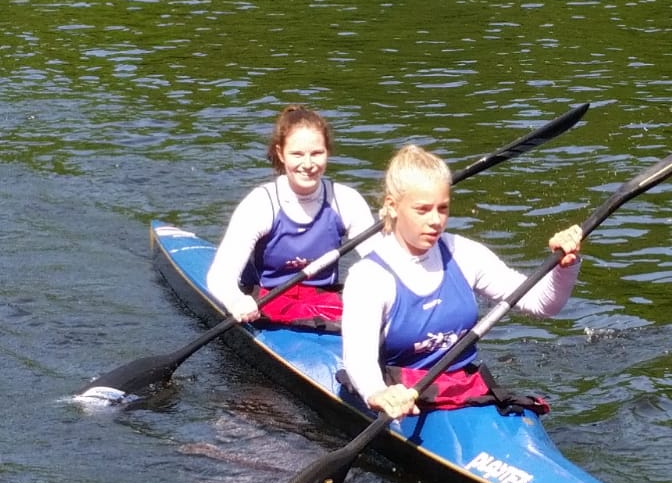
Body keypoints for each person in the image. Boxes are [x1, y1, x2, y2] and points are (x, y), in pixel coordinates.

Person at [340, 144, 583, 420]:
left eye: (442, 208)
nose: (435, 221)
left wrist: (565, 265)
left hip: (463, 390)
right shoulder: (369, 277)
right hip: (401, 397)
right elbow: (359, 360)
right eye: (422, 210)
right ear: (392, 207)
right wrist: (378, 394)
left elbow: (541, 304)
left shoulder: (462, 253)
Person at [206, 105, 376, 329]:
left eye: (317, 153)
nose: (308, 164)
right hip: (265, 302)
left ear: (328, 152)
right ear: (280, 153)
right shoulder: (260, 204)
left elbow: (383, 263)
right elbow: (219, 278)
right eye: (297, 154)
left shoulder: (346, 200)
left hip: (324, 302)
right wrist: (236, 301)